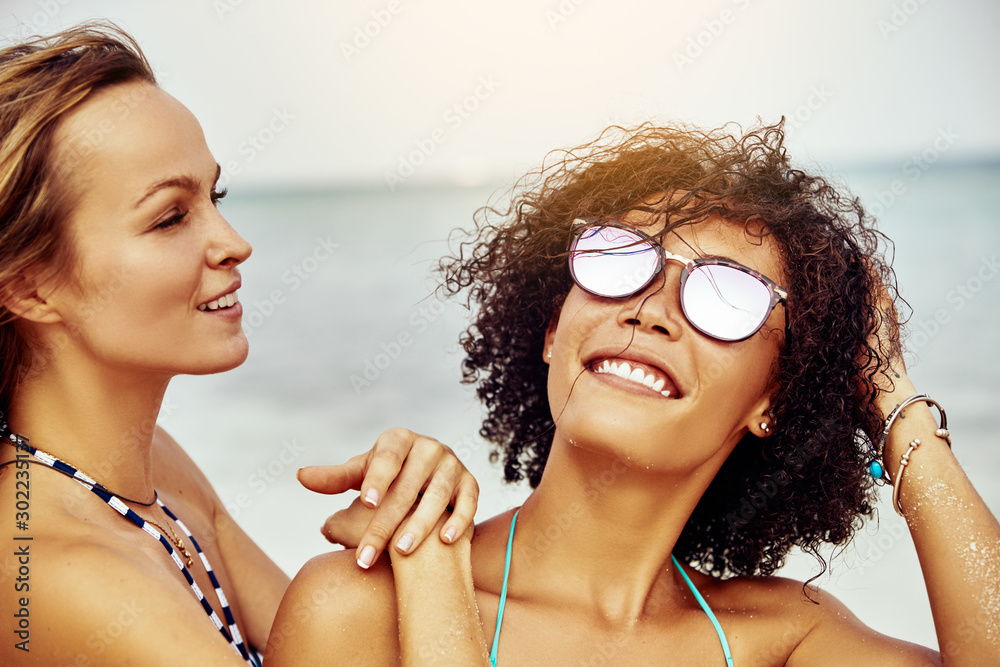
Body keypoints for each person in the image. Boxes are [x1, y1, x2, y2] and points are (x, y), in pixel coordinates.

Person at [270, 121, 1000, 665]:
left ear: (775, 398)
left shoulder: (785, 641)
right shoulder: (363, 607)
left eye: (725, 293)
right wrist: (432, 572)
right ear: (555, 326)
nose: (650, 308)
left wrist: (890, 395)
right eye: (620, 256)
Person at [0, 23, 483, 666]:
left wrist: (414, 507)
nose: (233, 241)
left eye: (214, 195)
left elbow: (320, 645)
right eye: (170, 216)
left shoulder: (149, 467)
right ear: (30, 287)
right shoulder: (60, 574)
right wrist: (433, 564)